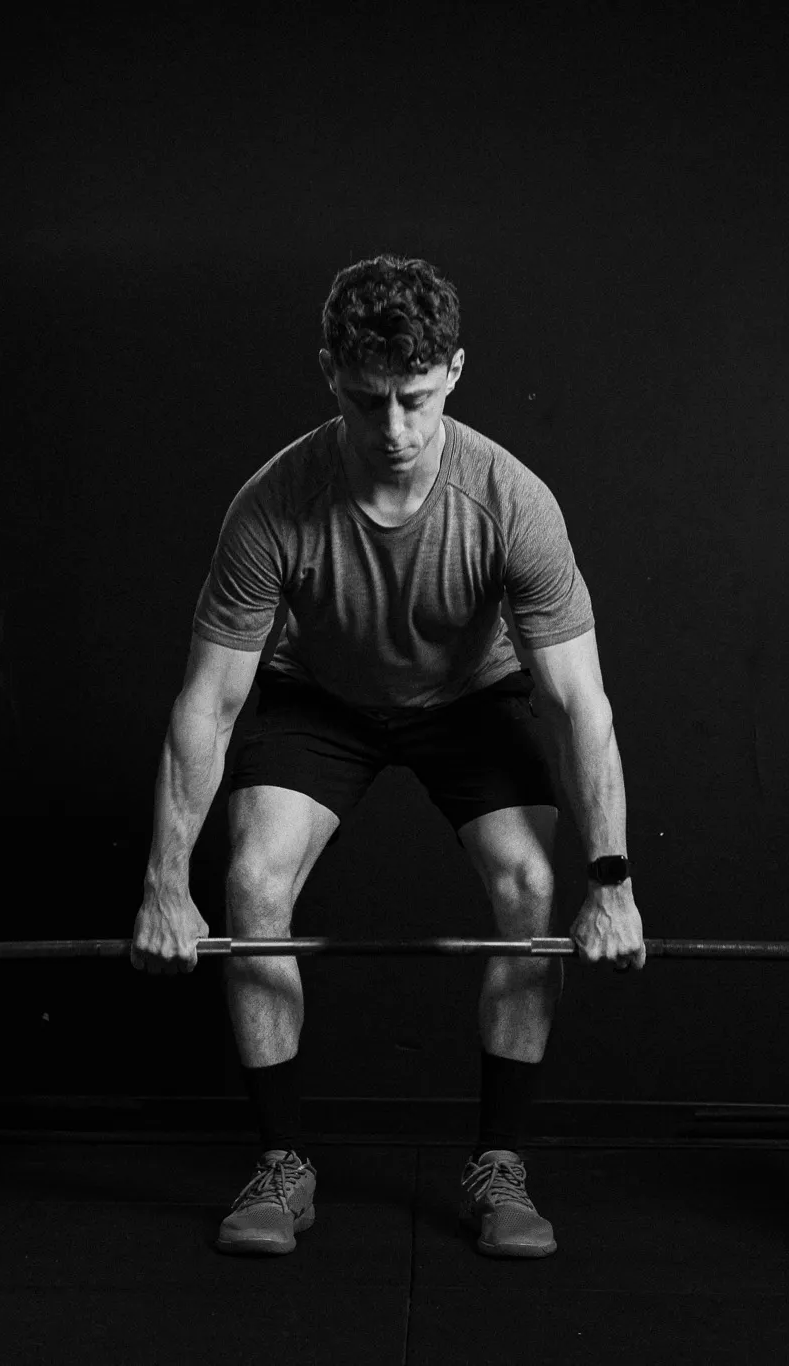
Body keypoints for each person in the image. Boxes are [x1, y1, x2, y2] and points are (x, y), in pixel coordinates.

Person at [130, 254, 644, 1258]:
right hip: (320, 698)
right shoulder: (275, 503)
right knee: (251, 882)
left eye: (414, 397)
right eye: (370, 401)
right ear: (329, 373)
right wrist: (161, 883)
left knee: (528, 883)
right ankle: (281, 1163)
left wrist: (612, 879)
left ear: (454, 369)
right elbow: (209, 702)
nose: (395, 428)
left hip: (469, 698)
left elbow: (577, 703)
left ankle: (501, 1166)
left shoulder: (511, 503)